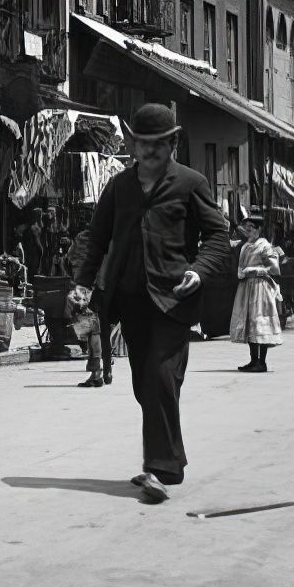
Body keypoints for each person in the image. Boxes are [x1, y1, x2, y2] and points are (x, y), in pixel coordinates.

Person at [69, 103, 229, 503]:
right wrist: (83, 284)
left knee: (160, 377)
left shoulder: (191, 183)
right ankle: (170, 462)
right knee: (146, 385)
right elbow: (96, 237)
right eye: (142, 143)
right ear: (133, 144)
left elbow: (218, 237)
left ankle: (157, 469)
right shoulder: (119, 187)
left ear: (172, 143)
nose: (149, 151)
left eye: (158, 143)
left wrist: (199, 269)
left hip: (173, 301)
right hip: (131, 301)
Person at [229, 215, 283, 371]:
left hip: (261, 287)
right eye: (246, 227)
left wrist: (255, 270)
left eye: (251, 227)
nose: (248, 230)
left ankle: (262, 362)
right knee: (250, 322)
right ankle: (254, 360)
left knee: (260, 321)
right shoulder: (246, 246)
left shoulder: (265, 246)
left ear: (259, 229)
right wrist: (240, 272)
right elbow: (241, 265)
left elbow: (274, 269)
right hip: (246, 287)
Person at [65, 223, 113, 388]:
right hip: (100, 285)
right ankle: (103, 369)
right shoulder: (106, 239)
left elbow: (69, 257)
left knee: (91, 329)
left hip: (83, 285)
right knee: (99, 328)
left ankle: (96, 372)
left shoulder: (81, 237)